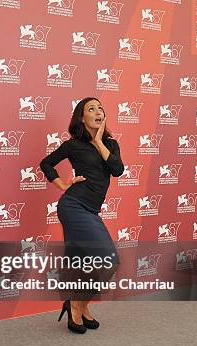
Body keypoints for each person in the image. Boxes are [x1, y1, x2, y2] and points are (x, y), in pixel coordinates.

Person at [39, 97, 124, 334]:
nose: (97, 111)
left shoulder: (110, 144)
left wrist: (98, 142)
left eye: (100, 107)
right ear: (81, 117)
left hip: (91, 210)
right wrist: (63, 185)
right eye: (91, 109)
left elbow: (117, 170)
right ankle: (76, 303)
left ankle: (80, 305)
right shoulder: (73, 145)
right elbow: (46, 163)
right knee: (108, 260)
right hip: (74, 206)